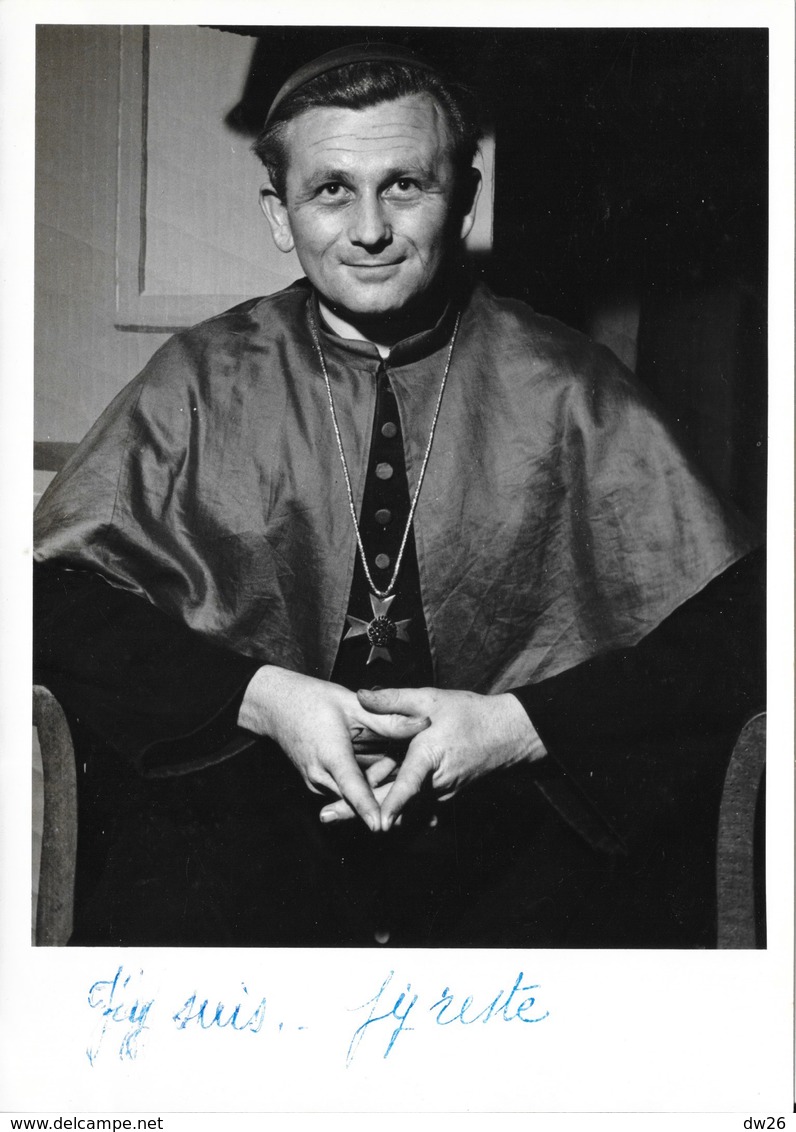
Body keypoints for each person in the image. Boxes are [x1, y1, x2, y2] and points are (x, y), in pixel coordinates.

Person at [34, 43, 764, 948]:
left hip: (510, 830)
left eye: (405, 186)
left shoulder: (571, 382)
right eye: (331, 189)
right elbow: (47, 600)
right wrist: (264, 699)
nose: (369, 228)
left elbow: (745, 627)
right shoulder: (200, 376)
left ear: (463, 200)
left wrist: (517, 725)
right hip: (249, 814)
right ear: (279, 215)